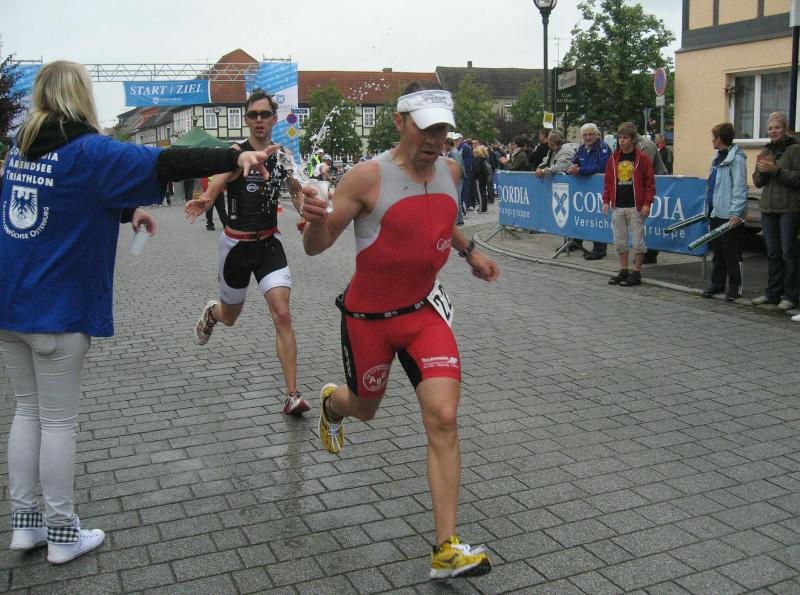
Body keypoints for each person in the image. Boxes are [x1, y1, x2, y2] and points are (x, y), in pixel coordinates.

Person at [0, 60, 275, 565]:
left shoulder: (22, 148)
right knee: (58, 422)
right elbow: (165, 162)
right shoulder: (89, 149)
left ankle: (25, 524)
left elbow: (62, 193)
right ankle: (61, 533)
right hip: (58, 307)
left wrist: (127, 210)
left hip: (11, 302)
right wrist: (235, 154)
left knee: (27, 411)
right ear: (81, 96)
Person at [301, 80, 498, 580]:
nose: (435, 140)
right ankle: (333, 404)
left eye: (442, 130)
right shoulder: (367, 178)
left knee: (444, 418)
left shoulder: (452, 171)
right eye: (425, 129)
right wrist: (315, 219)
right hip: (368, 321)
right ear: (399, 122)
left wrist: (470, 252)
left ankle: (446, 548)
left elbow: (440, 220)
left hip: (423, 314)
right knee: (365, 408)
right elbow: (316, 246)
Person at [186, 88, 309, 416]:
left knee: (282, 313)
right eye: (253, 115)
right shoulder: (236, 153)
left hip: (269, 245)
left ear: (274, 119)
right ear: (246, 119)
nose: (259, 120)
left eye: (264, 114)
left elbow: (297, 193)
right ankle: (212, 313)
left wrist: (307, 211)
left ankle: (292, 395)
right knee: (230, 317)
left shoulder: (282, 156)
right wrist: (204, 201)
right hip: (236, 248)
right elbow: (216, 186)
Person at [752, 111, 800, 313]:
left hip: (789, 208)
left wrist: (776, 170)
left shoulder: (795, 149)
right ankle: (772, 293)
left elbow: (798, 179)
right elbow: (757, 181)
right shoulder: (766, 150)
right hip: (768, 208)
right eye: (770, 128)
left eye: (777, 128)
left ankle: (790, 295)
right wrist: (763, 173)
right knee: (772, 253)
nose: (773, 131)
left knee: (788, 253)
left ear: (785, 128)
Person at [602, 122, 656, 287]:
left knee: (638, 242)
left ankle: (636, 272)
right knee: (620, 241)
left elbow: (649, 183)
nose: (622, 141)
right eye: (620, 138)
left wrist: (647, 203)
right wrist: (606, 201)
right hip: (618, 205)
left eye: (625, 138)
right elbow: (608, 182)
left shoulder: (642, 158)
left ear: (632, 139)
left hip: (635, 206)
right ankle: (624, 270)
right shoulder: (613, 159)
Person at [701, 122, 747, 302]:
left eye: (714, 137)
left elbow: (739, 188)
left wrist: (736, 213)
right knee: (718, 251)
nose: (712, 140)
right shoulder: (717, 157)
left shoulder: (737, 159)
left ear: (720, 139)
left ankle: (735, 287)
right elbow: (712, 185)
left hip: (729, 214)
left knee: (731, 252)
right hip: (716, 211)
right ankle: (717, 284)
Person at [567, 123, 612, 260]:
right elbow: (574, 162)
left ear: (597, 135)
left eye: (590, 134)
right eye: (585, 135)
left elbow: (601, 167)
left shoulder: (603, 148)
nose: (587, 137)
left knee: (598, 218)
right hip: (583, 189)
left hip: (599, 189)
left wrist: (580, 170)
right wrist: (572, 169)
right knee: (580, 215)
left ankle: (599, 249)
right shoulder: (581, 148)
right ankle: (576, 242)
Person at [445, 137, 465, 225]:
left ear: (448, 145)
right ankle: (459, 219)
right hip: (458, 179)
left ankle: (457, 219)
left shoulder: (454, 153)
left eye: (444, 145)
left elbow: (458, 166)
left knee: (456, 199)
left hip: (457, 179)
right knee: (457, 198)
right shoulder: (454, 152)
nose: (444, 147)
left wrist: (454, 178)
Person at [472, 144, 491, 213]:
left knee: (480, 194)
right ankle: (484, 208)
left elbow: (477, 170)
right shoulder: (485, 158)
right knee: (483, 193)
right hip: (484, 178)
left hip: (479, 179)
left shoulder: (479, 160)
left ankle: (481, 209)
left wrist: (473, 176)